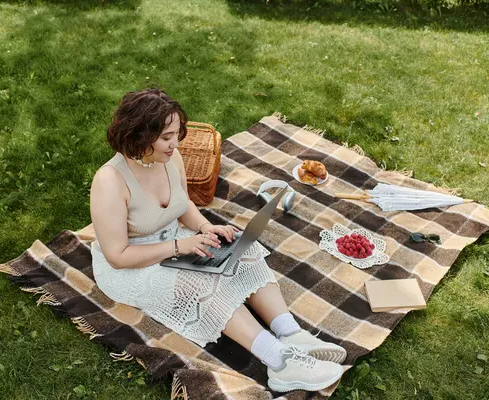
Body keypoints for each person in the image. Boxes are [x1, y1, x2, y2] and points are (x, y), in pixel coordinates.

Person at [89, 88, 347, 392]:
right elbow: (117, 256)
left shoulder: (170, 159)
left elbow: (183, 204)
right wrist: (178, 247)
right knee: (199, 285)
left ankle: (291, 333)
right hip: (133, 267)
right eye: (166, 137)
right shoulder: (109, 181)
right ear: (138, 136)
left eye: (177, 134)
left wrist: (205, 228)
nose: (175, 144)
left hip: (175, 241)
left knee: (241, 251)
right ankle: (280, 363)